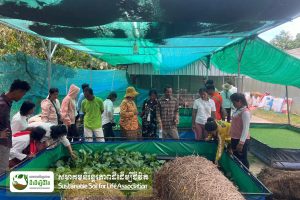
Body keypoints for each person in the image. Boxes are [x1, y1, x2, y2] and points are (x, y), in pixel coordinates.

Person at [0, 79, 31, 174]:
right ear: (18, 91)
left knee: (3, 171)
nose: (22, 97)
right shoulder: (2, 104)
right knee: (2, 172)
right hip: (1, 144)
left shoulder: (6, 103)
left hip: (5, 144)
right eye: (23, 94)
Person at [230, 93, 251, 168]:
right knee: (236, 158)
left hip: (241, 140)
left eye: (234, 102)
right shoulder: (238, 110)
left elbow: (246, 128)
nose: (233, 104)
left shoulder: (245, 112)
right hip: (235, 138)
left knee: (242, 159)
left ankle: (247, 175)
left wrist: (241, 143)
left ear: (239, 101)